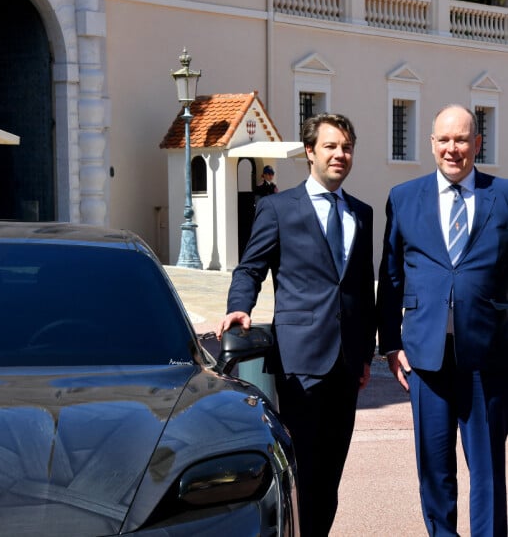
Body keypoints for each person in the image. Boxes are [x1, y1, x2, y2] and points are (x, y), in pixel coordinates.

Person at [216, 113, 376, 536]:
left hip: (345, 364)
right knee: (300, 469)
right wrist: (239, 307)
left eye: (346, 147)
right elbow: (250, 269)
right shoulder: (277, 208)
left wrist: (365, 352)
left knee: (330, 473)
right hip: (299, 360)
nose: (340, 154)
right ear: (310, 152)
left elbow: (362, 288)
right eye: (330, 146)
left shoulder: (362, 212)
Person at [377, 104, 508, 536]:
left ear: (478, 144)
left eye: (462, 139)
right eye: (445, 140)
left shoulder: (503, 197)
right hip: (425, 360)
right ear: (432, 144)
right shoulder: (403, 198)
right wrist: (390, 345)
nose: (454, 149)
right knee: (434, 470)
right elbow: (391, 276)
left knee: (488, 471)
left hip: (486, 360)